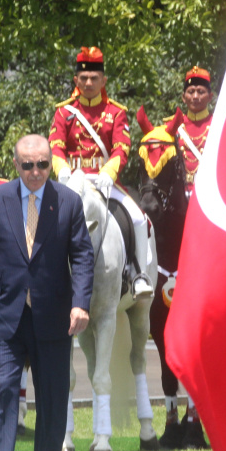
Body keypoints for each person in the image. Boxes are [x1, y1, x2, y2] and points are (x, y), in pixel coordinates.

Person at [0, 134, 94, 451]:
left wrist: (80, 303)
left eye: (43, 164)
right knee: (5, 391)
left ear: (51, 162)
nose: (36, 171)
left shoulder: (68, 202)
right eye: (28, 165)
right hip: (6, 315)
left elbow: (83, 256)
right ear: (16, 165)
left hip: (54, 316)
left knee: (53, 398)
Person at [48, 46, 152, 299]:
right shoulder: (64, 112)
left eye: (94, 78)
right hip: (72, 181)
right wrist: (61, 171)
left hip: (104, 181)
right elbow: (55, 145)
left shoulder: (116, 112)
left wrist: (108, 172)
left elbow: (122, 147)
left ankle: (138, 274)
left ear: (103, 80)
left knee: (138, 218)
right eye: (83, 78)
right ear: (76, 80)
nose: (88, 82)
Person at [169, 66, 213, 198]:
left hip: (207, 194)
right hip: (178, 197)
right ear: (183, 97)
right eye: (191, 91)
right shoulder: (172, 125)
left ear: (210, 97)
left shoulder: (218, 125)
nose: (195, 96)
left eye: (200, 92)